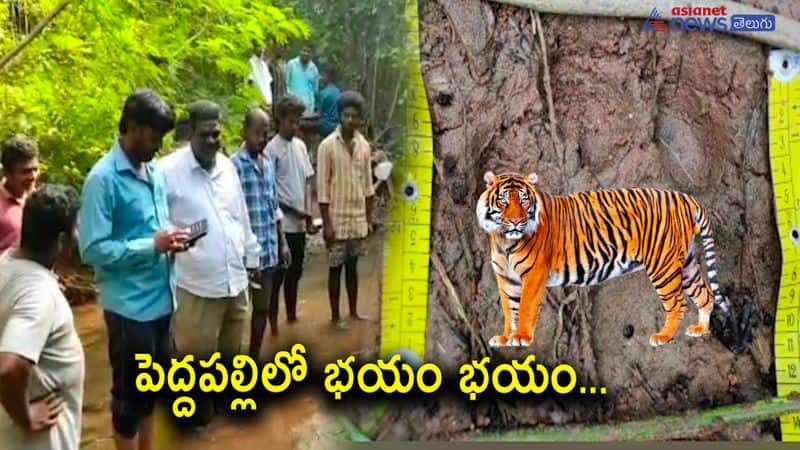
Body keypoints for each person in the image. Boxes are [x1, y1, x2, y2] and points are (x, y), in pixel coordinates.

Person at [78, 89, 188, 450]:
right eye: (155, 137)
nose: (159, 145)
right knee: (127, 401)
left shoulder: (153, 172)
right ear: (134, 128)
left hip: (161, 301)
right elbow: (92, 248)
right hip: (129, 309)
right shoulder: (103, 179)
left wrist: (173, 239)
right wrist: (152, 245)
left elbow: (154, 227)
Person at [159, 100, 260, 423]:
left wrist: (252, 253)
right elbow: (155, 227)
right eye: (206, 135)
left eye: (217, 134)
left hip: (235, 282)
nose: (213, 141)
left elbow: (239, 216)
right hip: (197, 288)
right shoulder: (167, 173)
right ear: (190, 133)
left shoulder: (228, 167)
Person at [0, 184, 83, 450]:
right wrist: (26, 417)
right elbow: (9, 369)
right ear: (61, 241)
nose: (78, 236)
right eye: (75, 230)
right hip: (41, 439)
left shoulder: (6, 263)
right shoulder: (38, 293)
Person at [232, 107, 289, 359]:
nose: (262, 139)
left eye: (266, 134)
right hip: (243, 254)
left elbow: (274, 206)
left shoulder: (268, 164)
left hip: (268, 249)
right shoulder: (234, 166)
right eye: (257, 133)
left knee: (262, 307)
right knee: (235, 311)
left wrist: (283, 242)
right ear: (245, 132)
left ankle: (253, 356)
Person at [316, 91, 374, 330]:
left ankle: (353, 311)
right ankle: (335, 316)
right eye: (346, 115)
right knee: (335, 269)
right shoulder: (327, 146)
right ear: (339, 116)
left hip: (357, 219)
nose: (350, 120)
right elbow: (322, 188)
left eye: (354, 116)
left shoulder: (364, 146)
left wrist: (369, 220)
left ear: (361, 119)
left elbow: (368, 186)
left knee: (353, 268)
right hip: (337, 221)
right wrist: (326, 224)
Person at [266, 96, 317, 336]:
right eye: (290, 122)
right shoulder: (271, 150)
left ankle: (292, 315)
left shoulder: (299, 146)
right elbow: (270, 192)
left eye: (297, 122)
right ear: (279, 121)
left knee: (296, 272)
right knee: (278, 275)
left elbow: (308, 181)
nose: (294, 126)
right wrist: (296, 211)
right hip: (281, 224)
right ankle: (273, 325)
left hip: (298, 223)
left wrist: (307, 213)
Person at [0, 135, 39, 257]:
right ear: (7, 173)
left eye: (35, 169)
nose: (33, 176)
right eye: (25, 171)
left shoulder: (39, 199)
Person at [285, 45, 319, 115]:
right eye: (304, 50)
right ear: (300, 51)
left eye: (308, 52)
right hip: (293, 106)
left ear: (311, 54)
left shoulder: (313, 68)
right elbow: (286, 84)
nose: (305, 53)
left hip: (308, 107)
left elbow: (315, 90)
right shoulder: (291, 64)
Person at [315, 67, 341, 139]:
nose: (320, 78)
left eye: (323, 76)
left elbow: (318, 114)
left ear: (328, 77)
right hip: (337, 125)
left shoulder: (323, 93)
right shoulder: (338, 91)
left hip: (326, 126)